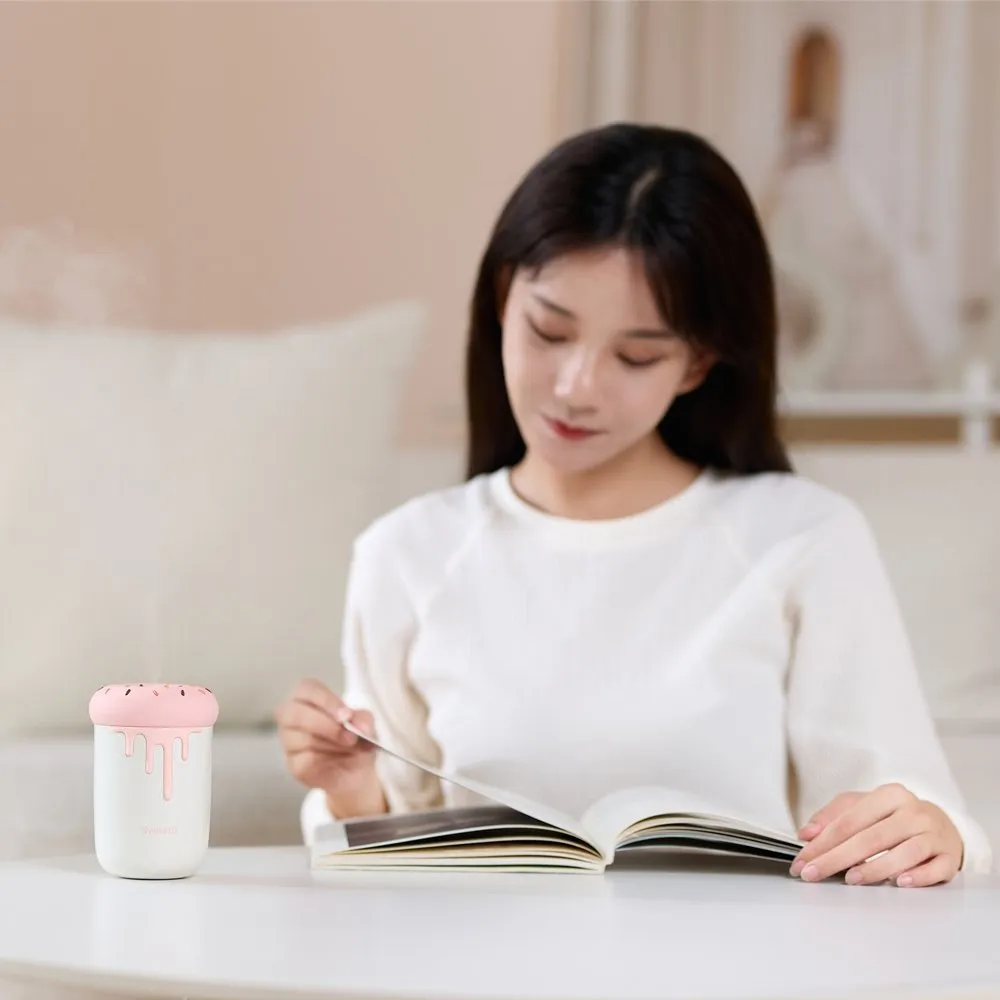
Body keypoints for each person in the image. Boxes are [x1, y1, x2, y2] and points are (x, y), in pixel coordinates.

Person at [275, 122, 992, 885]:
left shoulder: (802, 537)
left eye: (636, 355)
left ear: (697, 362)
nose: (577, 386)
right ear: (499, 300)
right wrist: (351, 791)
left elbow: (904, 805)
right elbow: (396, 833)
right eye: (549, 331)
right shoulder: (409, 553)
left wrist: (927, 833)